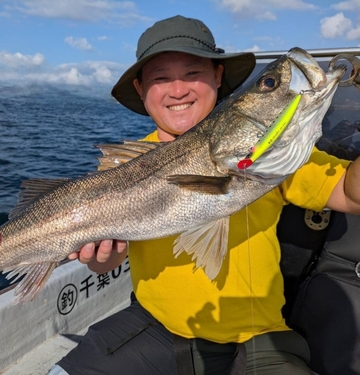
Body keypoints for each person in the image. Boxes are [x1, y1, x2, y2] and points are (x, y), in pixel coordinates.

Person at [49, 15, 360, 375]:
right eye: (161, 77)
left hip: (259, 339)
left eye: (193, 73)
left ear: (217, 77)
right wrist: (99, 256)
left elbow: (351, 197)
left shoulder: (280, 154)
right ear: (140, 88)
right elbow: (104, 263)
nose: (178, 89)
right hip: (156, 328)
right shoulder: (118, 171)